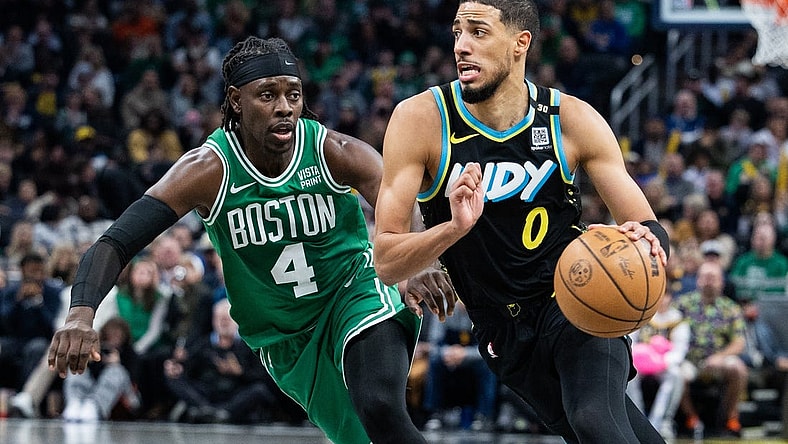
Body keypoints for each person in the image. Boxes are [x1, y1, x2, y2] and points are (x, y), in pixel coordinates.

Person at [48, 36, 454, 444]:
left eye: (293, 95)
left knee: (381, 408)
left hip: (355, 292)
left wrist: (418, 261)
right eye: (267, 95)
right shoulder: (208, 170)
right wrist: (81, 313)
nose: (284, 107)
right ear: (236, 100)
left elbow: (403, 203)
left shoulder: (333, 150)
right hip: (285, 338)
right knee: (361, 436)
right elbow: (115, 242)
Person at [372, 1, 669, 442]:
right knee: (606, 431)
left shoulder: (571, 119)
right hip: (499, 327)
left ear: (520, 43)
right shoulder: (420, 119)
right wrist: (451, 229)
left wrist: (644, 241)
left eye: (478, 32)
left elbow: (648, 224)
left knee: (595, 420)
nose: (461, 46)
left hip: (576, 295)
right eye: (457, 33)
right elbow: (387, 261)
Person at [674, 261, 747, 437]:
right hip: (689, 360)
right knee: (677, 373)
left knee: (738, 368)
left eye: (713, 277)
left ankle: (730, 419)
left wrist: (720, 357)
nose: (708, 281)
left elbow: (739, 342)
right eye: (705, 276)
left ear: (721, 282)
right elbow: (669, 330)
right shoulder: (682, 304)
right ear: (697, 280)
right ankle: (691, 418)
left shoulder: (731, 308)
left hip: (718, 361)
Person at [626, 287, 690, 440]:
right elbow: (631, 342)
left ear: (670, 298)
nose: (662, 300)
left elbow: (680, 350)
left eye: (665, 296)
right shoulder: (641, 315)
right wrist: (643, 357)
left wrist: (660, 361)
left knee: (676, 375)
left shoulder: (678, 319)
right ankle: (637, 419)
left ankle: (662, 422)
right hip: (640, 362)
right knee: (628, 373)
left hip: (665, 364)